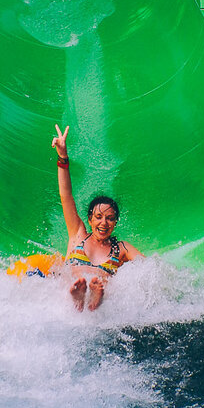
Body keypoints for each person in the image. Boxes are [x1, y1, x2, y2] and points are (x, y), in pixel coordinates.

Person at [52, 124, 143, 311]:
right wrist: (63, 157)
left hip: (100, 302)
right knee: (76, 284)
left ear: (115, 222)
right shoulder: (78, 234)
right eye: (99, 217)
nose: (104, 223)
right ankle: (78, 297)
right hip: (70, 293)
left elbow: (149, 267)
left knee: (99, 287)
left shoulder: (121, 248)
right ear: (90, 219)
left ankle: (95, 299)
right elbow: (66, 196)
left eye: (110, 218)